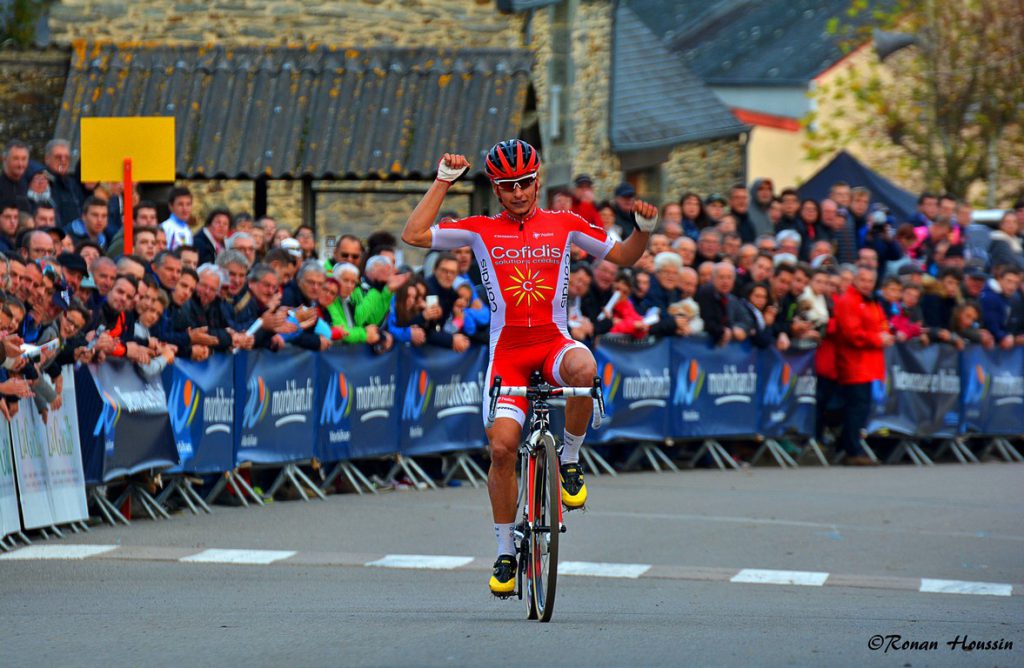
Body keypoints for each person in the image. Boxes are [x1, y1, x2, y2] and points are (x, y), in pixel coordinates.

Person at [401, 141, 653, 598]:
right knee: (501, 449)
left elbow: (625, 258)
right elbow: (414, 235)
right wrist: (443, 180)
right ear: (496, 190)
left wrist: (645, 230)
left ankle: (571, 461)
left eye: (525, 183)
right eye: (507, 186)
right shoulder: (479, 230)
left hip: (553, 341)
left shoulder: (566, 224)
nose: (518, 192)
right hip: (509, 353)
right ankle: (504, 549)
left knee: (584, 365)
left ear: (538, 181)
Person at [834, 266, 894, 466]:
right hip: (855, 364)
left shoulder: (871, 301)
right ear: (855, 280)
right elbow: (853, 334)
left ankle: (846, 446)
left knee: (861, 407)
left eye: (870, 281)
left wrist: (884, 334)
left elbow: (882, 322)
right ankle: (852, 450)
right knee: (857, 408)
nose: (867, 284)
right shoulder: (849, 301)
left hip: (868, 364)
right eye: (863, 280)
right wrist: (878, 339)